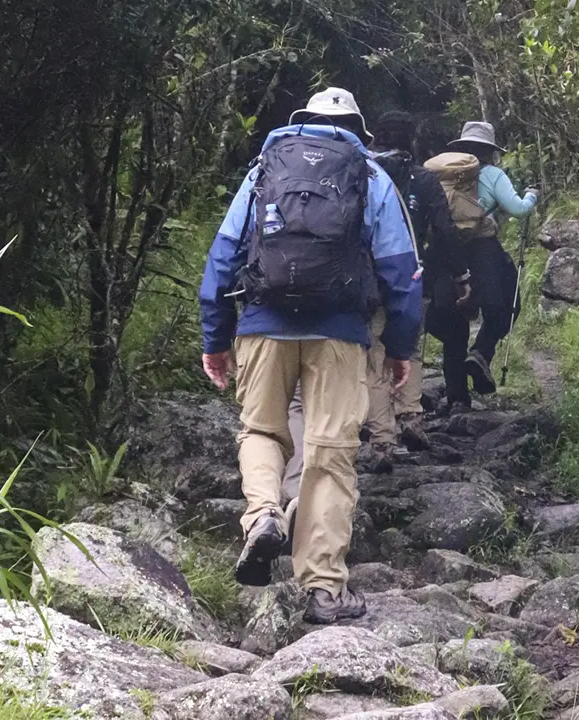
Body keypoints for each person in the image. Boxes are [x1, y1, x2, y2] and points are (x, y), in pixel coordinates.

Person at [199, 88, 422, 624]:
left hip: (262, 324)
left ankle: (262, 517)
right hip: (340, 332)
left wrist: (215, 338)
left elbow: (223, 256)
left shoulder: (263, 171)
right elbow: (401, 271)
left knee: (261, 432)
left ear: (304, 122)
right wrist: (401, 347)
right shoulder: (370, 177)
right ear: (357, 128)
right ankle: (324, 588)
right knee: (330, 452)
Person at [357, 111, 472, 471]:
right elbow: (444, 229)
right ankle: (410, 416)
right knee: (410, 348)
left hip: (368, 278)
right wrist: (460, 275)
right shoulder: (423, 179)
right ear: (411, 140)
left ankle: (382, 440)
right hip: (411, 275)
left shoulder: (362, 175)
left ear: (376, 137)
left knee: (375, 356)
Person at [427, 121, 537, 404]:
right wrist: (531, 196)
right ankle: (481, 353)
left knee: (454, 327)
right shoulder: (493, 174)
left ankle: (457, 400)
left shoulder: (444, 177)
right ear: (490, 150)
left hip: (446, 252)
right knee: (505, 305)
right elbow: (518, 210)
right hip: (484, 251)